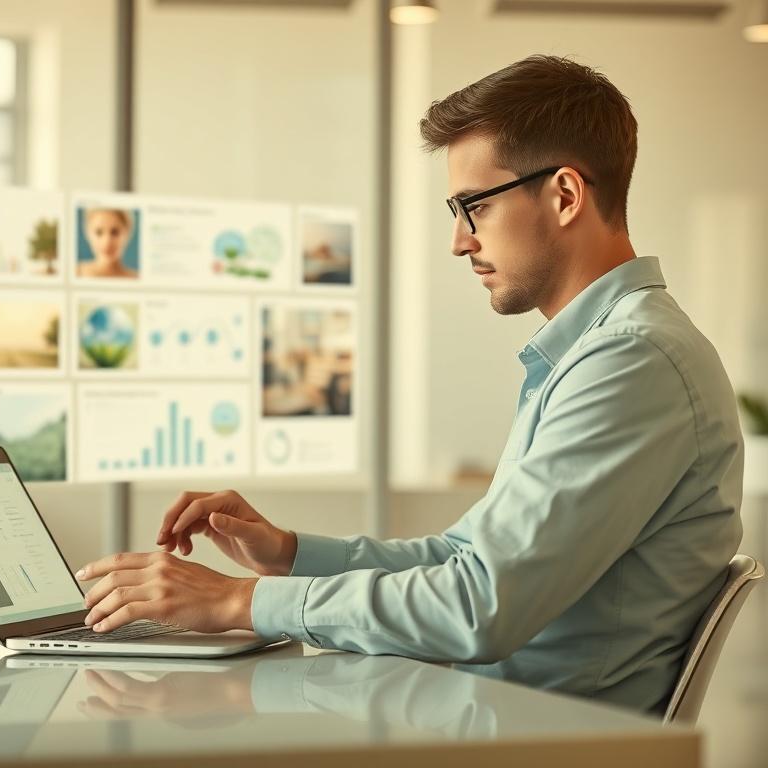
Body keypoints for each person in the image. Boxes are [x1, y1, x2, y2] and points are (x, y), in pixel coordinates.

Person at [74, 55, 743, 714]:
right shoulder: (602, 352)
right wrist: (287, 555)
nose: (459, 241)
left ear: (565, 195)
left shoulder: (630, 362)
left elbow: (477, 608)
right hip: (503, 721)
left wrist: (232, 601)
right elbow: (464, 558)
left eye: (473, 206)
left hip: (539, 741)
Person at [77, 208, 139, 278]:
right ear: (88, 234)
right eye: (99, 232)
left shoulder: (137, 278)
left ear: (127, 233)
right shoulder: (75, 272)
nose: (107, 242)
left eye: (114, 232)